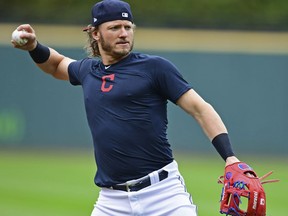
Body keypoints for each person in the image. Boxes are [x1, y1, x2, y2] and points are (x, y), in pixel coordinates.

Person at [12, 0, 241, 215]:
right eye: (114, 27)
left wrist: (230, 157)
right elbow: (56, 64)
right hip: (111, 201)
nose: (124, 33)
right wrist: (34, 46)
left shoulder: (154, 68)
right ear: (94, 33)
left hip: (163, 194)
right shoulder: (88, 71)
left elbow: (200, 109)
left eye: (128, 26)